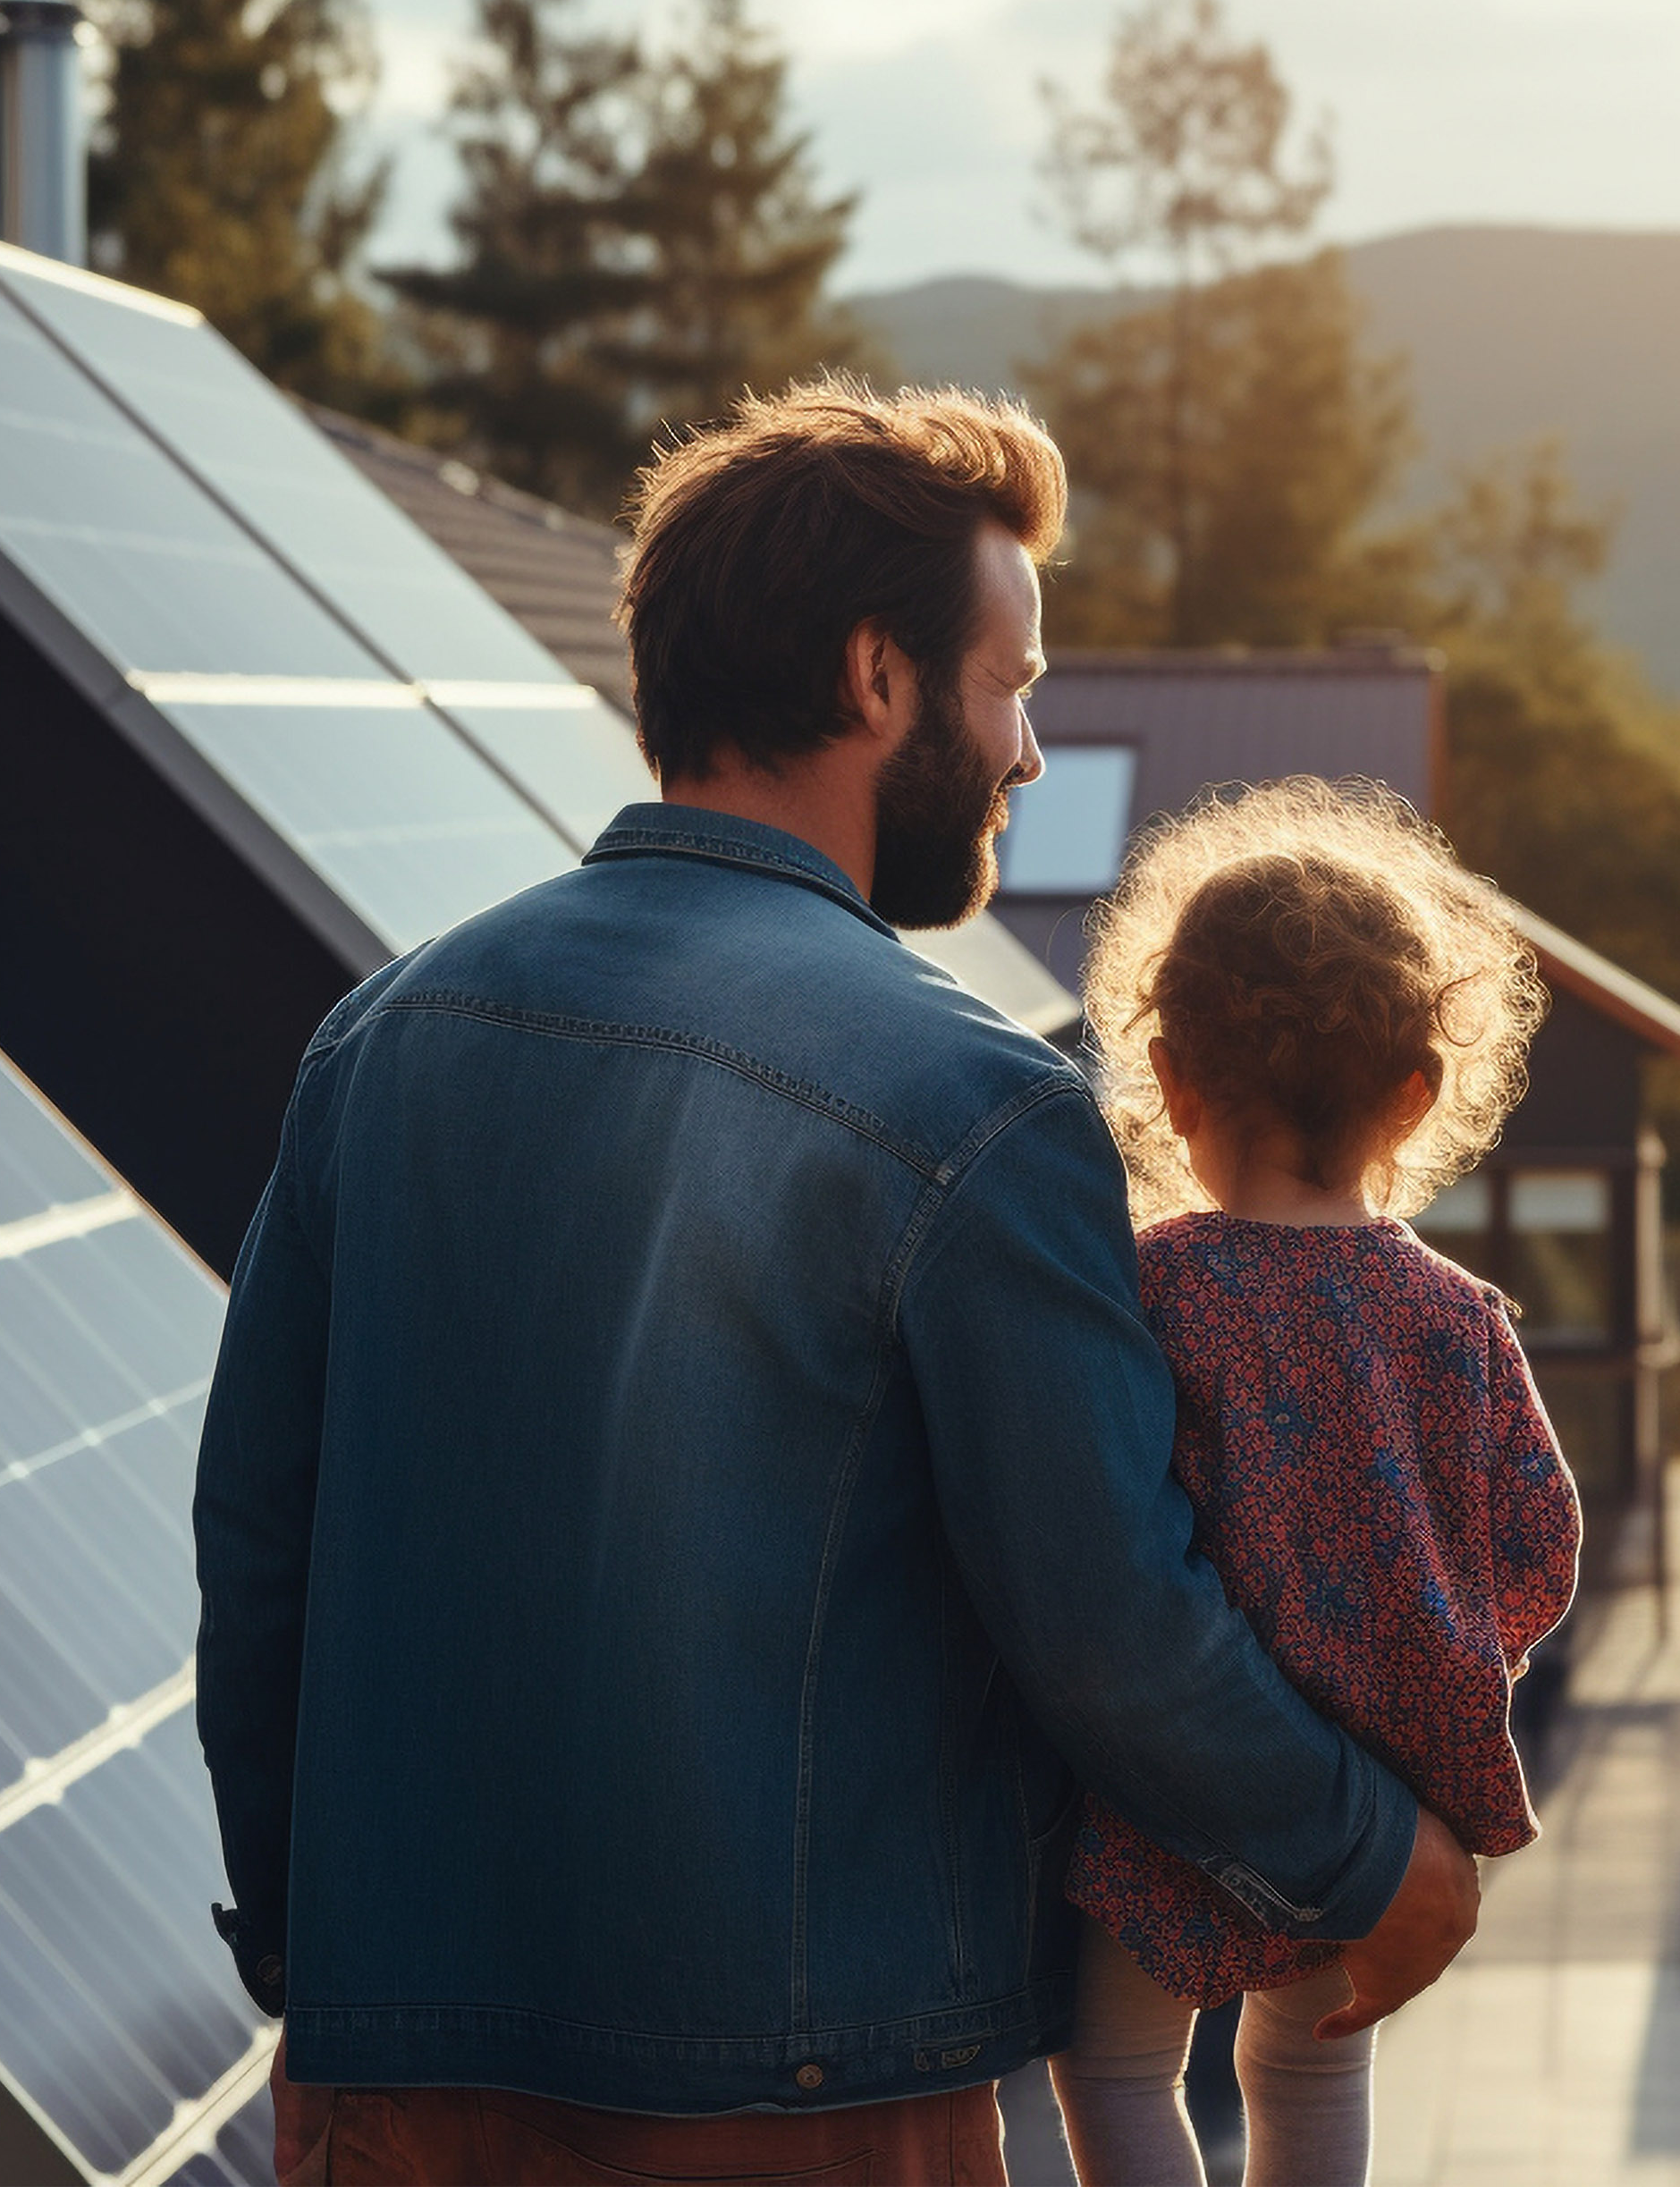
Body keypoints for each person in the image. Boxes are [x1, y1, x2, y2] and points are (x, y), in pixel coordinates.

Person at [191, 381, 1481, 2187]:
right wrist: (1373, 1853)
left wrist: (319, 1973)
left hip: (388, 2084)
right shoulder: (978, 1106)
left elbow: (258, 1549)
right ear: (880, 681)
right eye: (1012, 684)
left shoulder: (382, 1038)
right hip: (805, 2110)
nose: (1032, 749)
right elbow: (1110, 1616)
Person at [1046, 780, 1582, 2187]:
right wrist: (1439, 1648)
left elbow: (1100, 1522)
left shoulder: (1153, 1289)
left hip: (1175, 1785)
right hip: (1381, 1789)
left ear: (1170, 1078)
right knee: (1310, 2058)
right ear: (1416, 1091)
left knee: (1110, 2069)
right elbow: (1541, 1541)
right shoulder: (1460, 1317)